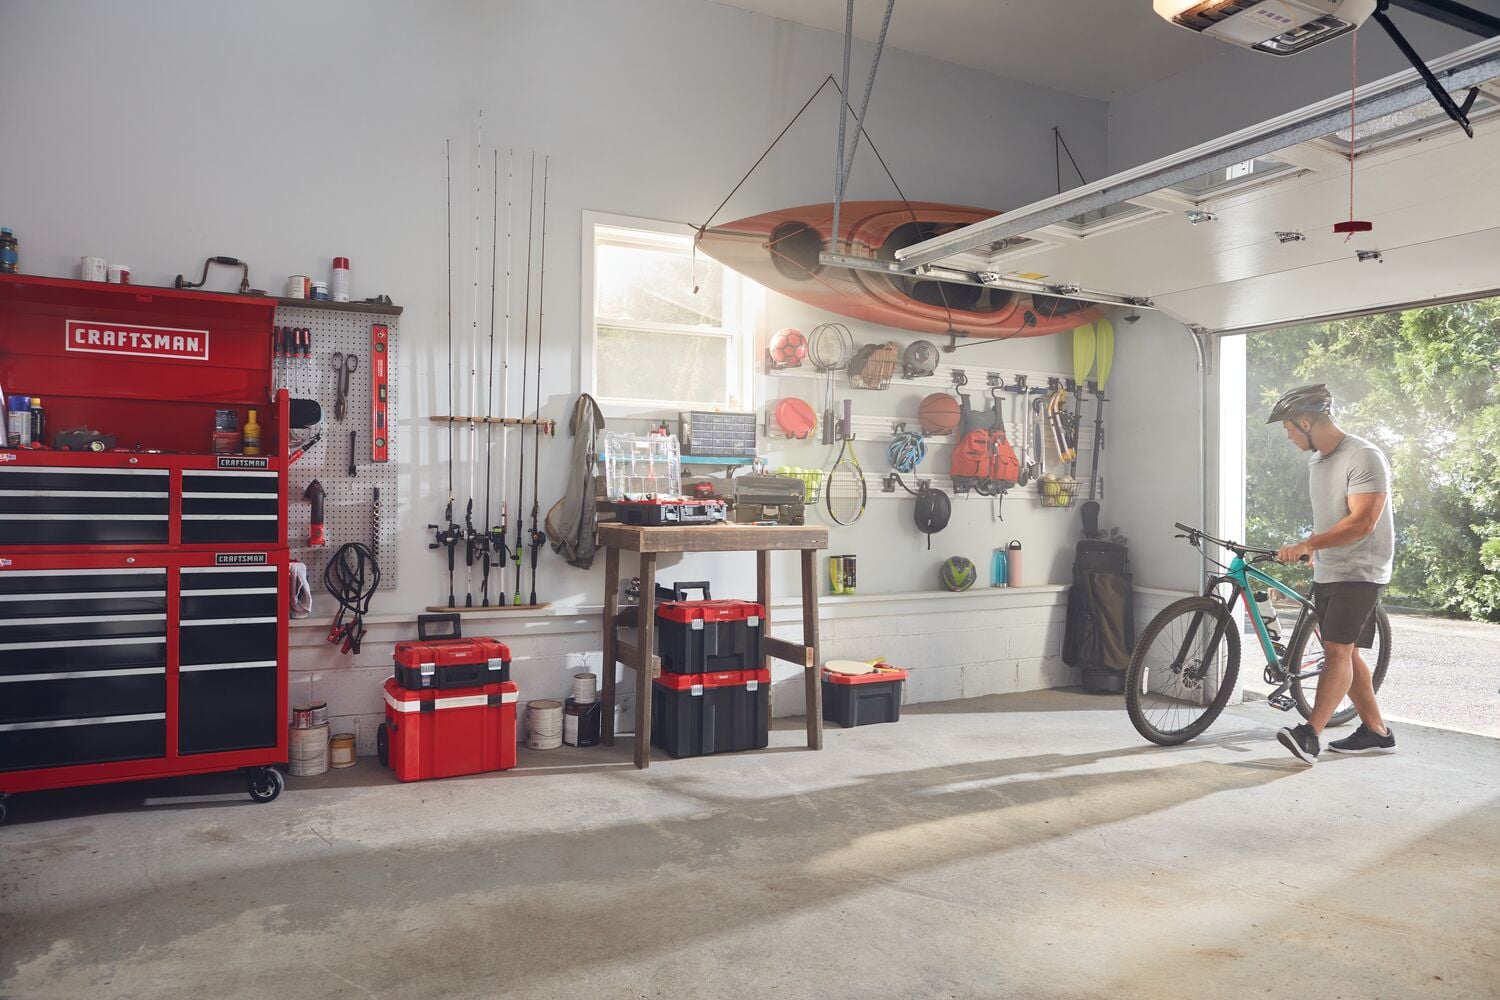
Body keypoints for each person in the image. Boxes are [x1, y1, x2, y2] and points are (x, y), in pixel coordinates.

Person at [1267, 384, 1397, 764]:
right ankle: (1377, 732)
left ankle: (1310, 734)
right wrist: (1318, 550)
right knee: (1347, 650)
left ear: (1306, 421)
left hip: (1360, 570)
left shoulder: (1364, 456)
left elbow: (1364, 522)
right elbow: (1333, 516)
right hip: (1332, 568)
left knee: (1337, 650)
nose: (1287, 435)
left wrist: (1312, 543)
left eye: (1288, 427)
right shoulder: (1318, 460)